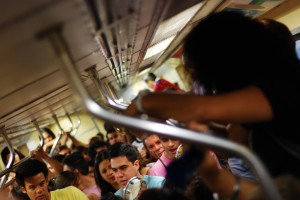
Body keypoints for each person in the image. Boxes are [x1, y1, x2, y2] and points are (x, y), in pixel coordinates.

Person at [124, 11, 300, 198]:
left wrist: (143, 101)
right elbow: (233, 144)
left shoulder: (281, 85)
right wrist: (199, 135)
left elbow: (200, 108)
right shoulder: (255, 103)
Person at [15, 159, 89, 200]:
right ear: (23, 189)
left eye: (42, 184)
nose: (39, 190)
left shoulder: (71, 193)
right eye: (32, 187)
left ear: (47, 181)